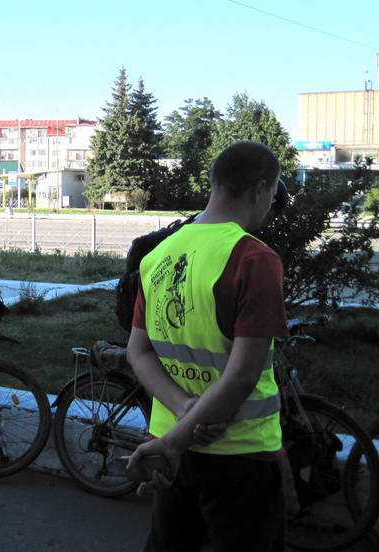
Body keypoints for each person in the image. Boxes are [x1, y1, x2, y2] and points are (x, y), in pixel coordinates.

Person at [126, 140, 287, 552]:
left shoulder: (158, 255)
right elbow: (242, 376)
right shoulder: (254, 258)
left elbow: (138, 352)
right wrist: (180, 439)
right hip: (241, 453)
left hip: (170, 447)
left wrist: (181, 413)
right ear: (260, 190)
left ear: (214, 185)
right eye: (272, 195)